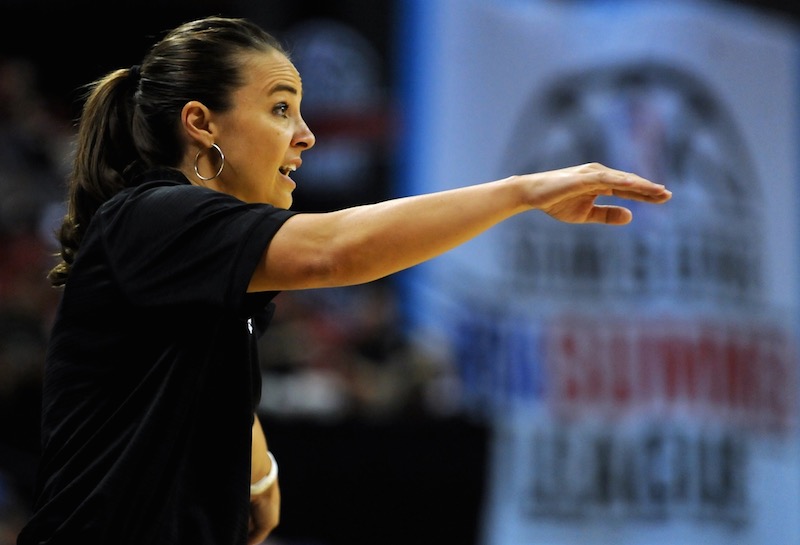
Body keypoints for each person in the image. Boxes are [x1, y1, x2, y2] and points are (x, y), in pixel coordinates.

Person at [15, 15, 672, 545]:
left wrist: (259, 475)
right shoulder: (156, 216)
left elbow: (199, 376)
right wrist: (523, 191)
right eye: (280, 108)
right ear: (200, 123)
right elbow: (337, 250)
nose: (305, 136)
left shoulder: (196, 249)